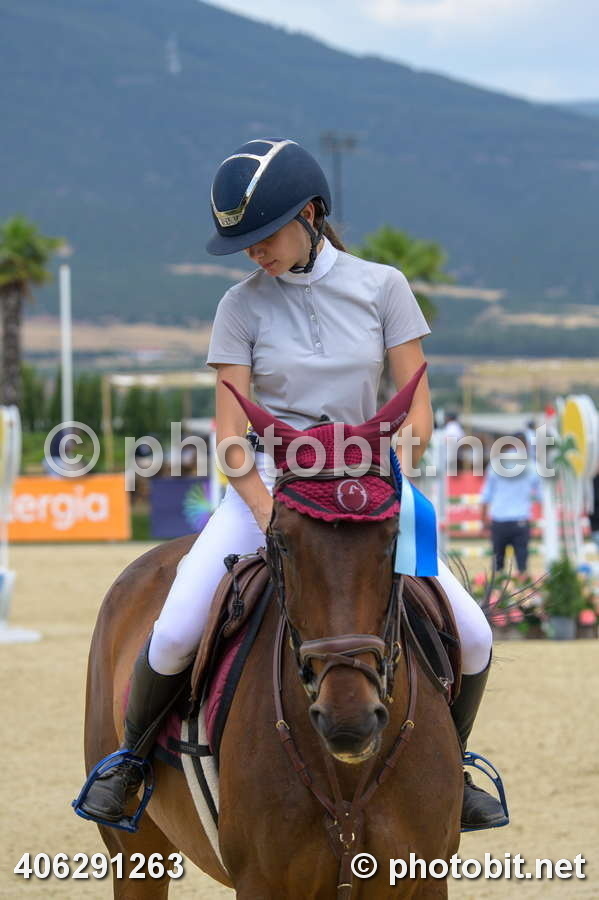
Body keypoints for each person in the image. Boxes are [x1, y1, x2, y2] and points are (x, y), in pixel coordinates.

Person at [80, 138, 505, 831]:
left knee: (474, 633)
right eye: (240, 242)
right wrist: (269, 511)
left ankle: (451, 769)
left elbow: (417, 414)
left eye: (263, 235)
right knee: (177, 626)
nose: (253, 252)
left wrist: (373, 472)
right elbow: (229, 434)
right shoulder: (238, 306)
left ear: (310, 214)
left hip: (366, 482)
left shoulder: (384, 287)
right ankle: (129, 763)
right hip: (274, 487)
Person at [480, 433, 541, 581]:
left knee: (497, 567)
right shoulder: (531, 465)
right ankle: (523, 592)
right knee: (522, 567)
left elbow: (486, 496)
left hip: (499, 521)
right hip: (521, 521)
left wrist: (483, 520)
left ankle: (496, 592)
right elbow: (541, 495)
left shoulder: (495, 464)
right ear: (525, 445)